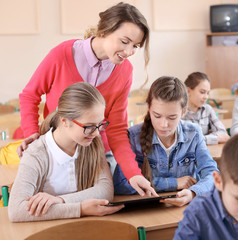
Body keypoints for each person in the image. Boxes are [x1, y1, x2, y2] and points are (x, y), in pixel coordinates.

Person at [16, 2, 156, 196]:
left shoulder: (125, 71)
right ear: (105, 30)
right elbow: (30, 96)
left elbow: (115, 129)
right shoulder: (62, 55)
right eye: (125, 42)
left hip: (96, 154)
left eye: (135, 46)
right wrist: (31, 133)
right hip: (58, 151)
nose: (129, 51)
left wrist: (132, 173)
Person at [8, 83, 123, 222]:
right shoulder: (36, 153)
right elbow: (16, 210)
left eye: (99, 124)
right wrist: (80, 209)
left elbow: (105, 191)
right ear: (64, 121)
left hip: (84, 227)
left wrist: (60, 200)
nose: (97, 133)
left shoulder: (93, 144)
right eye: (89, 126)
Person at [113, 76, 219, 207]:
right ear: (149, 108)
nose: (164, 124)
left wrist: (192, 193)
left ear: (183, 112)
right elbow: (120, 184)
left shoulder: (194, 133)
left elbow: (212, 175)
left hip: (185, 207)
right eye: (157, 116)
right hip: (147, 210)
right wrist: (173, 183)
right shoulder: (134, 136)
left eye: (172, 117)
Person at [182, 72, 230, 145]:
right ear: (188, 91)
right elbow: (186, 142)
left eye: (207, 93)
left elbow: (223, 134)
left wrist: (202, 139)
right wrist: (215, 139)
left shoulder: (207, 109)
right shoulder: (179, 112)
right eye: (202, 92)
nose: (206, 97)